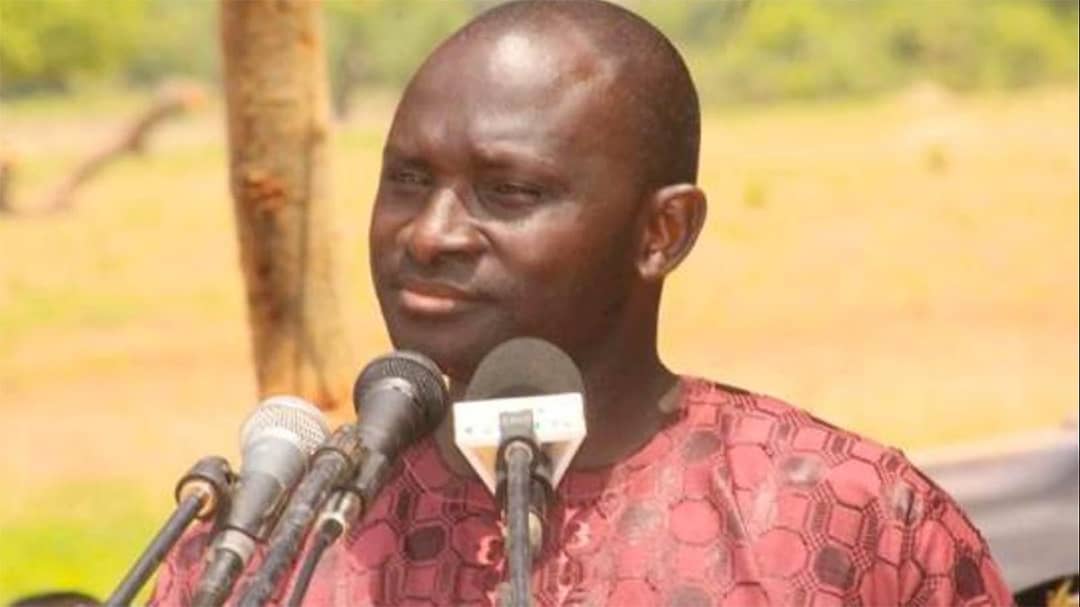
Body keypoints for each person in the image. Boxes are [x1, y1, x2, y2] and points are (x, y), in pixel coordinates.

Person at [152, 1, 1013, 605]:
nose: (430, 233)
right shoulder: (266, 549)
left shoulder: (848, 521)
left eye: (509, 192)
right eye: (408, 180)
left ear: (662, 232)